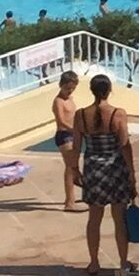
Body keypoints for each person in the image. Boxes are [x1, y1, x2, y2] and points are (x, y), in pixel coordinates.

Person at [68, 72, 134, 273]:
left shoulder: (80, 115)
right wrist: (132, 172)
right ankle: (123, 262)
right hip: (115, 169)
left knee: (94, 219)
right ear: (109, 90)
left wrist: (74, 170)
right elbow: (124, 145)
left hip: (93, 169)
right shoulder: (118, 113)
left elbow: (76, 146)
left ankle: (94, 262)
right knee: (119, 219)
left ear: (91, 91)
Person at [51, 70, 80, 213]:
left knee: (74, 167)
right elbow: (61, 121)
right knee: (70, 167)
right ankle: (69, 202)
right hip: (64, 135)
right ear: (60, 85)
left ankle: (73, 194)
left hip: (73, 135)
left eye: (72, 88)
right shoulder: (58, 102)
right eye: (68, 88)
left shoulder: (70, 99)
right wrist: (75, 130)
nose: (70, 91)